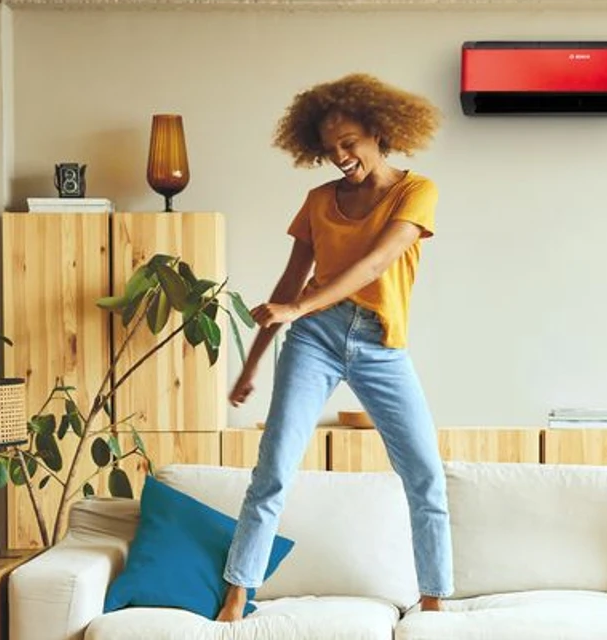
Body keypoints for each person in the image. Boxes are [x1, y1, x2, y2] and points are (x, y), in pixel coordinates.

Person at [217, 73, 450, 622]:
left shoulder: (416, 192)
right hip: (314, 340)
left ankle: (436, 602)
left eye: (348, 143)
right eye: (329, 150)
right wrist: (251, 364)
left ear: (378, 130)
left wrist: (299, 306)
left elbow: (376, 262)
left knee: (424, 476)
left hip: (380, 344)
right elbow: (287, 284)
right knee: (273, 470)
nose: (340, 157)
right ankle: (235, 596)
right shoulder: (319, 201)